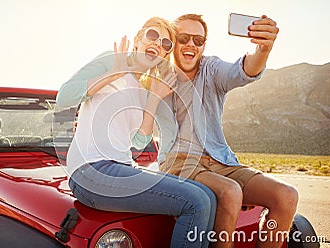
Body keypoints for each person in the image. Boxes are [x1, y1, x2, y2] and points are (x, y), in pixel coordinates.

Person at [56, 17, 216, 248]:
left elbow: (138, 143)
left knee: (207, 195)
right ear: (138, 39)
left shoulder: (143, 89)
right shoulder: (110, 62)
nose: (158, 43)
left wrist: (153, 100)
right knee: (196, 201)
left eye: (165, 44)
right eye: (152, 35)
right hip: (89, 171)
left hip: (120, 168)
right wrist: (115, 72)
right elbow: (64, 97)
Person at [157, 14, 298, 248]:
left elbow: (244, 71)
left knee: (287, 195)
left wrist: (263, 49)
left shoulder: (211, 69)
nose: (191, 44)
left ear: (204, 45)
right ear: (172, 41)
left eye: (198, 40)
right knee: (231, 192)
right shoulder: (157, 76)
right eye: (184, 38)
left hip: (221, 161)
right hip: (178, 162)